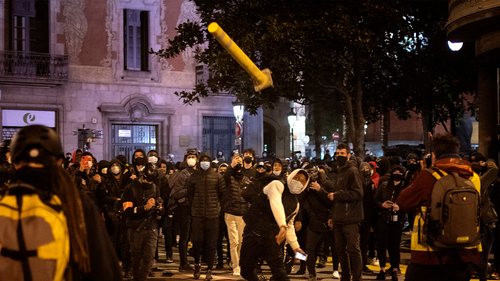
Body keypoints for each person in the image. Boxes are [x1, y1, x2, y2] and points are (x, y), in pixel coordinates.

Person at [0, 125, 121, 280]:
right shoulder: (75, 204)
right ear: (58, 162)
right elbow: (106, 271)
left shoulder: (3, 200)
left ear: (14, 162)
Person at [397, 133, 481, 281]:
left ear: (434, 155)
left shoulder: (429, 177)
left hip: (429, 256)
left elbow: (403, 202)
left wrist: (421, 174)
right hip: (465, 255)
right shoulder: (472, 177)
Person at [240, 168, 309, 281]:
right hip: (253, 234)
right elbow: (275, 202)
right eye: (296, 177)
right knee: (246, 271)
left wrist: (296, 247)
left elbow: (290, 226)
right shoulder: (277, 184)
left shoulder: (295, 204)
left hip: (272, 239)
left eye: (302, 181)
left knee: (280, 274)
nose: (298, 182)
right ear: (290, 176)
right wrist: (282, 225)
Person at [187, 152, 226, 280]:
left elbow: (222, 195)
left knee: (211, 244)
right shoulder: (193, 177)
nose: (205, 162)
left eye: (207, 160)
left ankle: (209, 269)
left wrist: (218, 209)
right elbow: (190, 195)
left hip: (213, 215)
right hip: (197, 215)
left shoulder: (217, 177)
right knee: (197, 242)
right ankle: (197, 265)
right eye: (202, 160)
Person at [327, 143, 363, 281]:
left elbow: (358, 193)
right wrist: (332, 216)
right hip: (339, 217)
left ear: (349, 155)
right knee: (340, 251)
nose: (339, 156)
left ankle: (357, 278)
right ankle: (346, 277)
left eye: (342, 153)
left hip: (351, 218)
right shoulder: (340, 171)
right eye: (337, 153)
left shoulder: (352, 171)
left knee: (353, 250)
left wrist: (337, 195)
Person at [122, 162, 163, 281]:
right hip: (135, 228)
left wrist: (160, 208)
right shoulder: (130, 188)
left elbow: (160, 205)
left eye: (152, 181)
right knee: (136, 258)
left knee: (148, 258)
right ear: (142, 176)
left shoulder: (155, 188)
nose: (149, 183)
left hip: (151, 226)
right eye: (148, 180)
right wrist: (143, 208)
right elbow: (127, 211)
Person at [373, 166, 406, 280]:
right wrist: (382, 205)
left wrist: (400, 208)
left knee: (394, 246)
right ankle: (382, 269)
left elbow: (408, 205)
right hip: (383, 218)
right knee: (381, 245)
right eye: (395, 172)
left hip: (397, 221)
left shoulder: (404, 189)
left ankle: (395, 269)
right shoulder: (384, 186)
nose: (397, 175)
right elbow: (375, 200)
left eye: (399, 173)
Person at [168, 148, 198, 271]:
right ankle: (183, 263)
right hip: (185, 207)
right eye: (189, 157)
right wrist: (189, 190)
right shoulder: (183, 174)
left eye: (193, 157)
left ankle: (196, 261)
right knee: (184, 237)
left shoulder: (200, 173)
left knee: (195, 236)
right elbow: (175, 193)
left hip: (197, 208)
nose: (191, 159)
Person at [223, 153, 252, 276]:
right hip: (230, 213)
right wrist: (232, 165)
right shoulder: (229, 178)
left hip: (243, 214)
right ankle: (236, 266)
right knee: (233, 241)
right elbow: (225, 177)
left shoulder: (246, 179)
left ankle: (238, 261)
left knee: (241, 241)